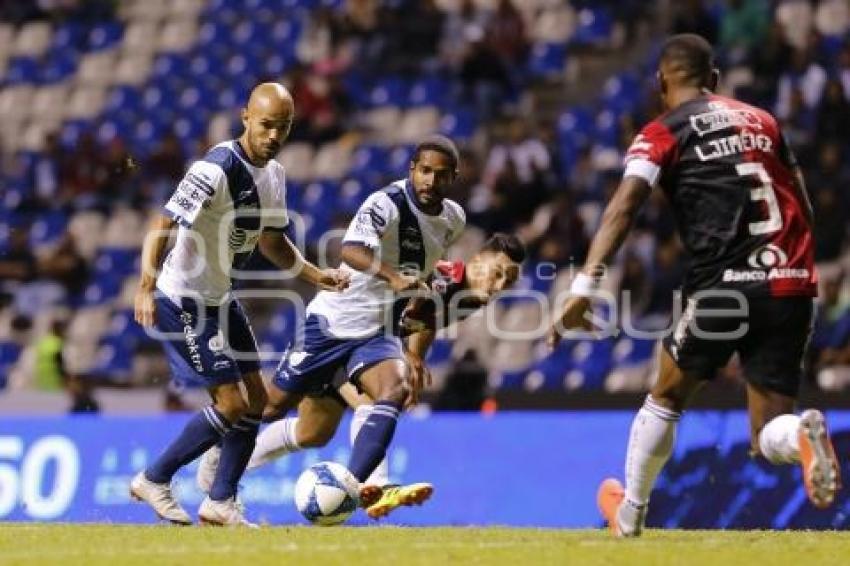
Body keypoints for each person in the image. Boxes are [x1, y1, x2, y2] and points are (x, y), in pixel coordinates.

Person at [547, 34, 840, 537]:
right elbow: (804, 206)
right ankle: (803, 437)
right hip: (792, 281)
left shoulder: (661, 132)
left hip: (725, 286)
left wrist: (585, 285)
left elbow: (624, 205)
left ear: (662, 82)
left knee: (666, 395)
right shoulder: (764, 122)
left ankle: (630, 514)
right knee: (766, 432)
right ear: (716, 80)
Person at [197, 135, 468, 518]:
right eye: (425, 171)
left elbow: (425, 276)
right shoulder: (385, 203)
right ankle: (218, 451)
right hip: (331, 324)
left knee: (394, 390)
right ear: (412, 169)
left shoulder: (454, 219)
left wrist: (415, 349)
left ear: (453, 178)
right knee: (273, 407)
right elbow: (351, 251)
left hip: (375, 332)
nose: (430, 181)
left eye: (441, 175)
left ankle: (355, 487)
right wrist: (391, 277)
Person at [129, 83, 348, 527]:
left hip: (219, 297)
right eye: (266, 125)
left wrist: (315, 274)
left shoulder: (275, 176)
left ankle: (220, 501)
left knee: (258, 400)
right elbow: (163, 221)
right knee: (230, 404)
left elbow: (272, 241)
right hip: (184, 298)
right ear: (245, 116)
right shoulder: (215, 169)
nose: (273, 136)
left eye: (282, 128)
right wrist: (146, 284)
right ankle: (154, 478)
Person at [198, 233, 525, 519]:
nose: (498, 285)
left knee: (313, 432)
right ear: (478, 259)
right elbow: (413, 309)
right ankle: (377, 484)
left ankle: (223, 465)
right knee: (363, 397)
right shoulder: (446, 279)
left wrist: (413, 356)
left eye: (507, 281)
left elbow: (425, 323)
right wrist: (407, 357)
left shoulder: (472, 297)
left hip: (361, 344)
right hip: (341, 330)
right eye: (496, 273)